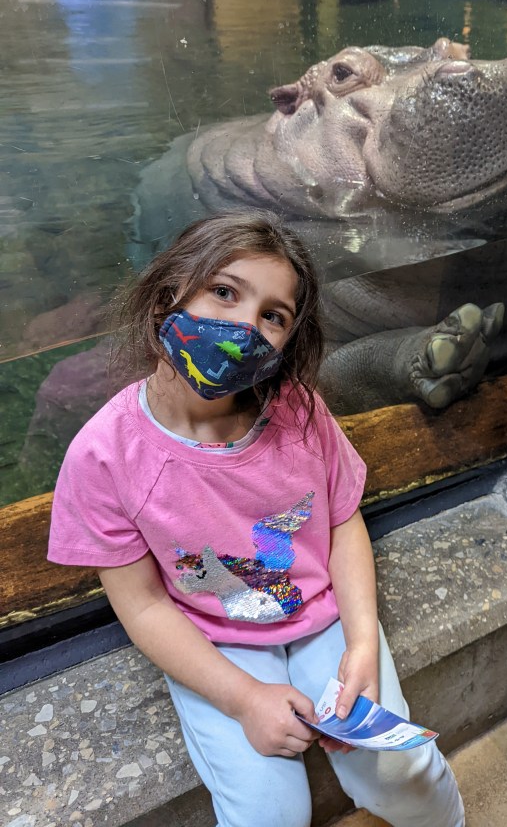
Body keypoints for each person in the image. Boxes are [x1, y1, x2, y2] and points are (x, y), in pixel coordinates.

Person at [47, 210, 464, 827]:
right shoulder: (103, 456)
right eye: (224, 291)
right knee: (271, 814)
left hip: (321, 616)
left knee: (403, 770)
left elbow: (342, 520)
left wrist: (361, 643)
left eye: (274, 315)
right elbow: (143, 606)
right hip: (216, 637)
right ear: (167, 296)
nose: (246, 325)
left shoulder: (300, 411)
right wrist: (244, 700)